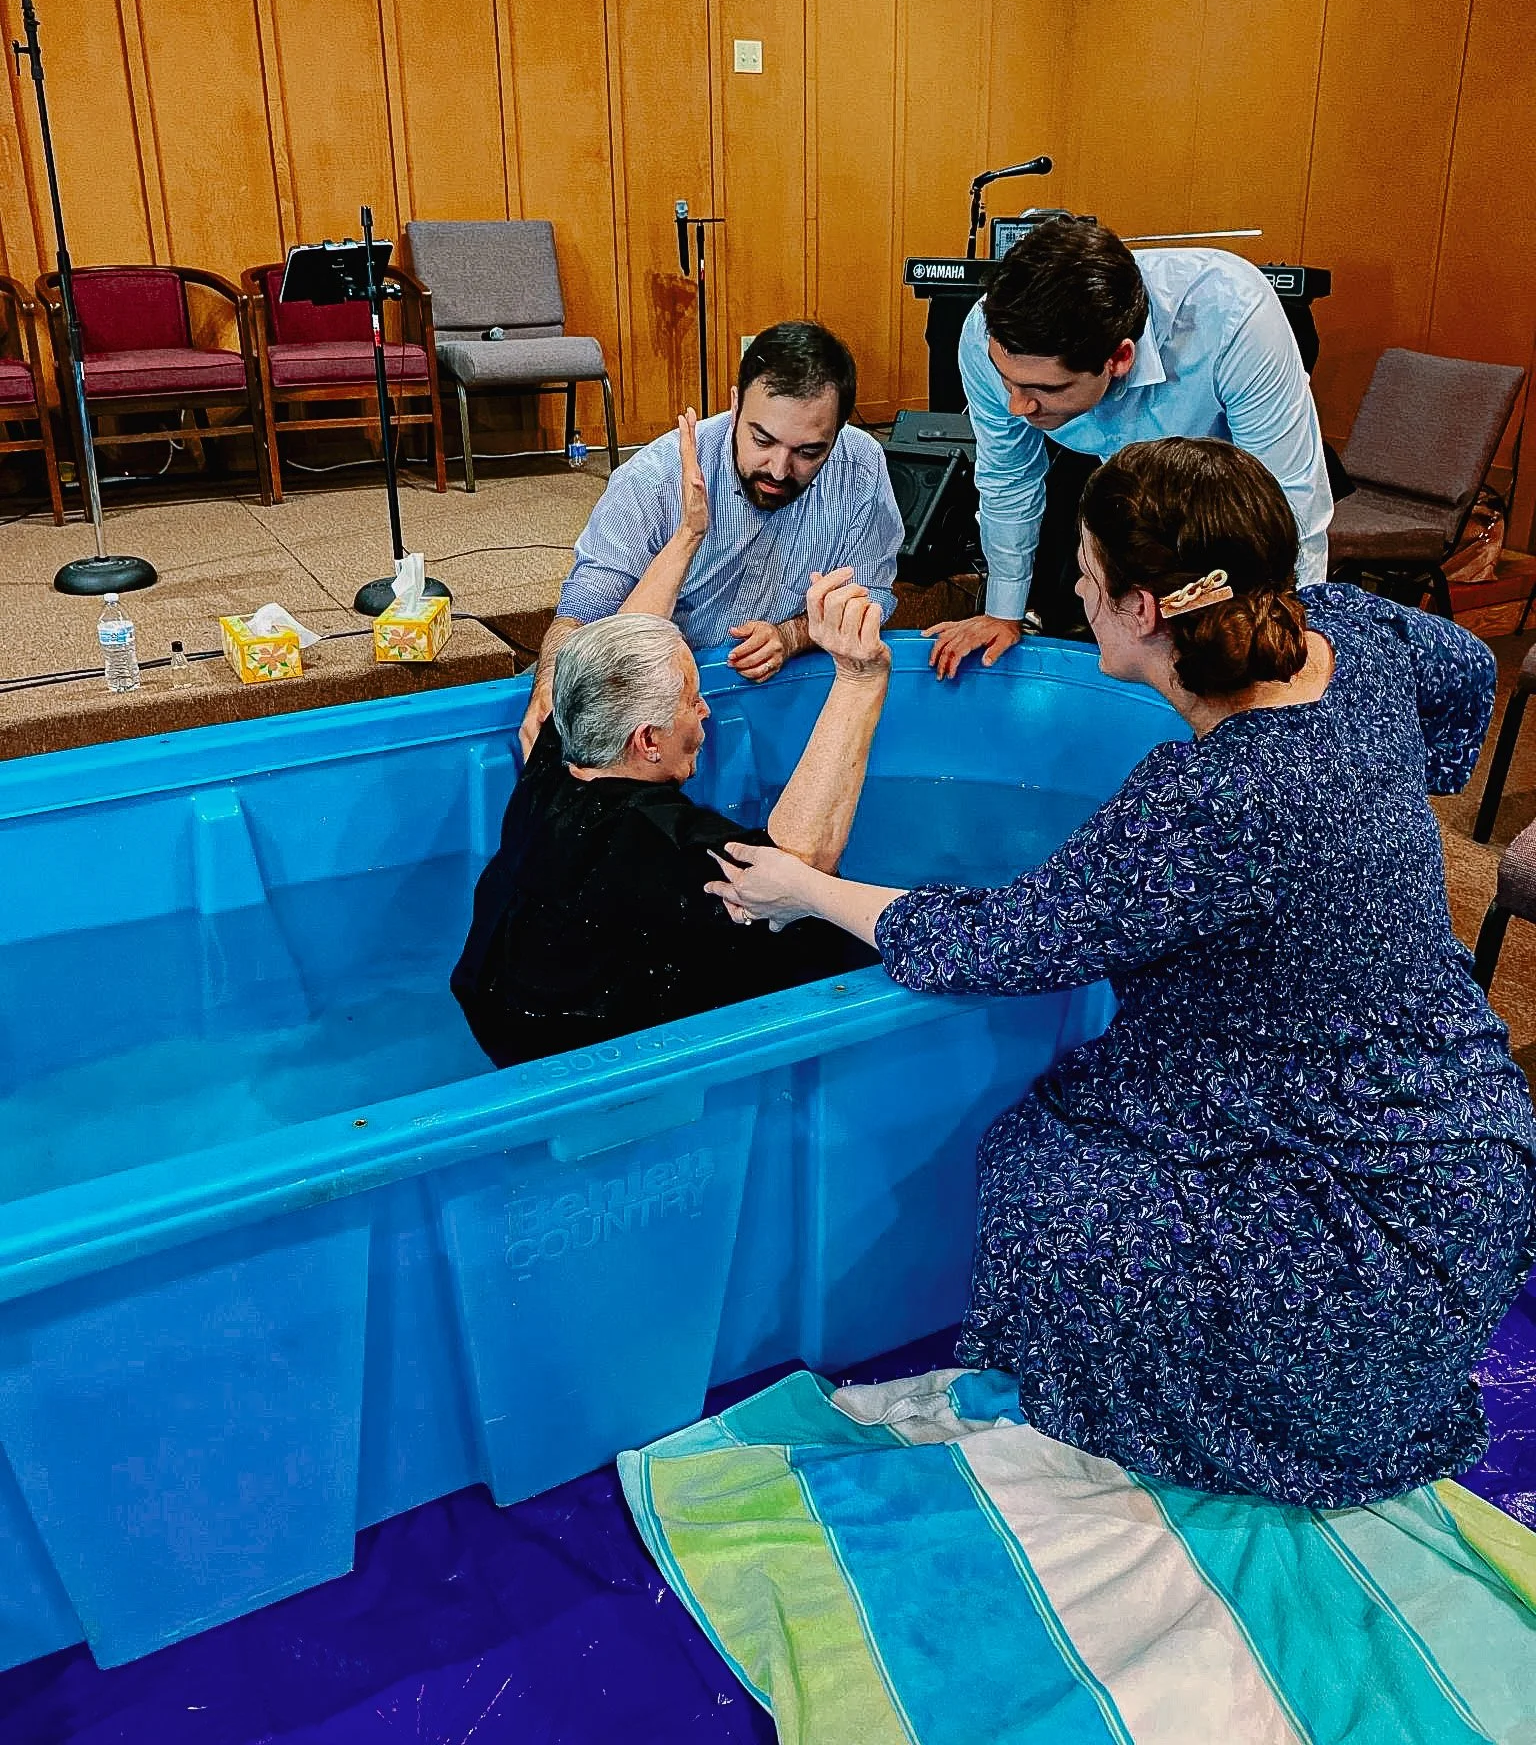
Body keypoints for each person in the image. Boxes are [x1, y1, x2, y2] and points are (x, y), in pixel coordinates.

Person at [708, 436, 1536, 1506]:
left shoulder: (1217, 796)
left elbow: (998, 942)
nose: (1074, 586)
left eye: (1088, 573)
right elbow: (1470, 669)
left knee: (1042, 1177)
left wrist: (803, 888)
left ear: (1145, 610)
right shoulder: (1354, 631)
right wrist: (1392, 801)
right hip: (1474, 1134)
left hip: (1373, 1238)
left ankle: (1241, 1408)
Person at [452, 568, 889, 1069]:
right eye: (691, 701)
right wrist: (861, 678)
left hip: (499, 1010)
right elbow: (797, 867)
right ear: (649, 741)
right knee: (821, 928)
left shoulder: (558, 750)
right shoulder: (663, 842)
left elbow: (622, 640)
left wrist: (687, 534)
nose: (704, 711)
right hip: (588, 1059)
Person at [926, 215, 1334, 673]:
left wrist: (1292, 639)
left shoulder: (1235, 316)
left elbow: (1285, 499)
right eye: (1008, 383)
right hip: (1125, 484)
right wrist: (1003, 613)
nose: (1018, 406)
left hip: (1232, 484)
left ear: (1119, 357)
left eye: (1047, 389)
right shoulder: (985, 335)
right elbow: (1007, 479)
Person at [519, 320, 904, 757]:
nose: (779, 469)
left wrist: (793, 636)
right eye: (762, 439)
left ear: (836, 434)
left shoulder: (861, 466)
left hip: (764, 696)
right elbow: (586, 613)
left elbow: (872, 593)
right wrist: (551, 678)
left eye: (808, 451)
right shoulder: (656, 476)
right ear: (736, 405)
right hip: (650, 710)